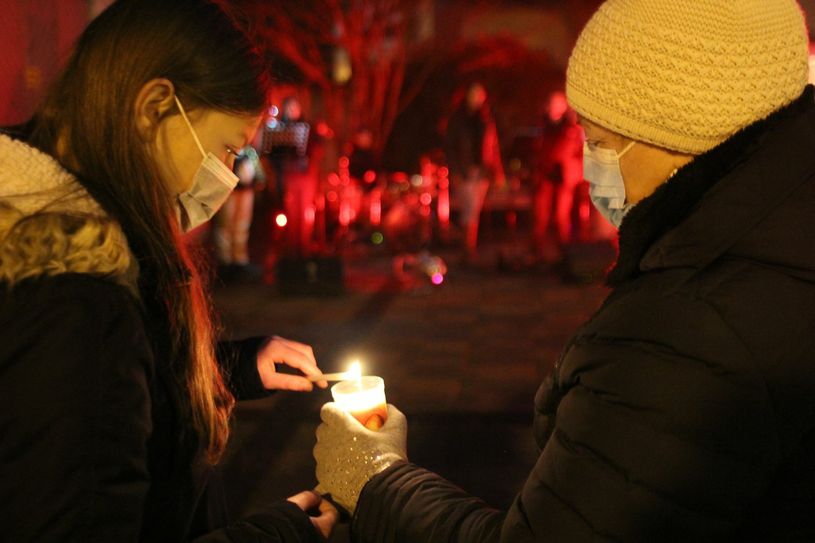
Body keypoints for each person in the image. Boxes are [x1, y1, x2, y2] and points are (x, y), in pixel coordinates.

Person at [313, 0, 815, 540]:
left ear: (679, 136)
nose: (587, 163)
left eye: (598, 141)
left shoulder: (684, 333)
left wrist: (377, 479)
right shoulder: (780, 235)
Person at [0, 0, 337, 540]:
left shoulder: (54, 219)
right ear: (155, 107)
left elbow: (108, 399)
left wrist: (229, 367)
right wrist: (278, 535)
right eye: (226, 149)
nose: (226, 176)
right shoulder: (77, 302)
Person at [444, 81, 504, 263]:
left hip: (481, 172)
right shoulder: (457, 119)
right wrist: (455, 171)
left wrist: (497, 171)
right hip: (464, 171)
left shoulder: (485, 119)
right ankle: (467, 249)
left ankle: (468, 249)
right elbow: (450, 147)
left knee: (474, 210)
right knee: (469, 209)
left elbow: (493, 147)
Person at [531, 90, 585, 261]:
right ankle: (537, 251)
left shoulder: (572, 127)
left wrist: (576, 172)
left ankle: (565, 253)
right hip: (545, 174)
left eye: (559, 103)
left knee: (562, 215)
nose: (555, 107)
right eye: (553, 103)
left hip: (564, 176)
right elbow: (536, 150)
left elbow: (580, 152)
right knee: (541, 215)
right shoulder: (542, 126)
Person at [214, 145, 265, 282]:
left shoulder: (250, 152)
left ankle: (240, 259)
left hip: (246, 192)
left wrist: (259, 180)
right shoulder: (228, 150)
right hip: (229, 192)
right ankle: (225, 260)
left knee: (242, 225)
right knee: (225, 225)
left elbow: (257, 170)